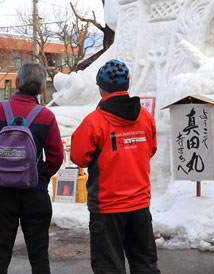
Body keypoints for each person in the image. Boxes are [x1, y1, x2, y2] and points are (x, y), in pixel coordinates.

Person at [70, 60, 159, 273]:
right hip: (139, 204)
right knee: (145, 264)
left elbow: (79, 157)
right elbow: (151, 149)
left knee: (108, 266)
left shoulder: (94, 121)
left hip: (107, 207)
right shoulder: (145, 117)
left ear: (101, 86)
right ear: (127, 85)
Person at [0, 62, 65, 274]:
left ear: (17, 83)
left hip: (1, 194)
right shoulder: (46, 116)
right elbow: (56, 157)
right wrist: (39, 175)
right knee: (39, 257)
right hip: (34, 194)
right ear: (43, 89)